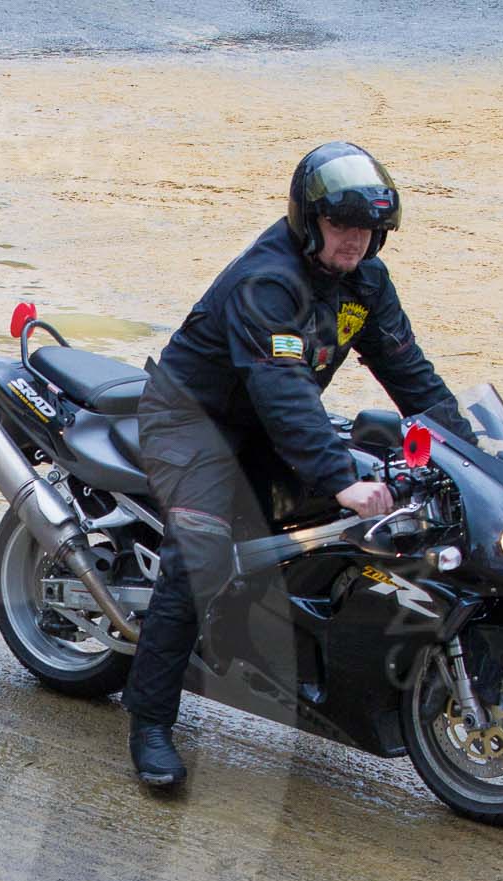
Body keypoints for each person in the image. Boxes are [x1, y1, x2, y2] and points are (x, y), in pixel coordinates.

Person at [121, 141, 464, 790]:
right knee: (199, 554)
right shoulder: (268, 282)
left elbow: (412, 377)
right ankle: (150, 724)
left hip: (269, 423)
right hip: (193, 421)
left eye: (367, 231)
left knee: (376, 475)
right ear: (309, 221)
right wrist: (341, 479)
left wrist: (473, 454)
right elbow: (281, 386)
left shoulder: (365, 282)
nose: (354, 243)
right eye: (341, 226)